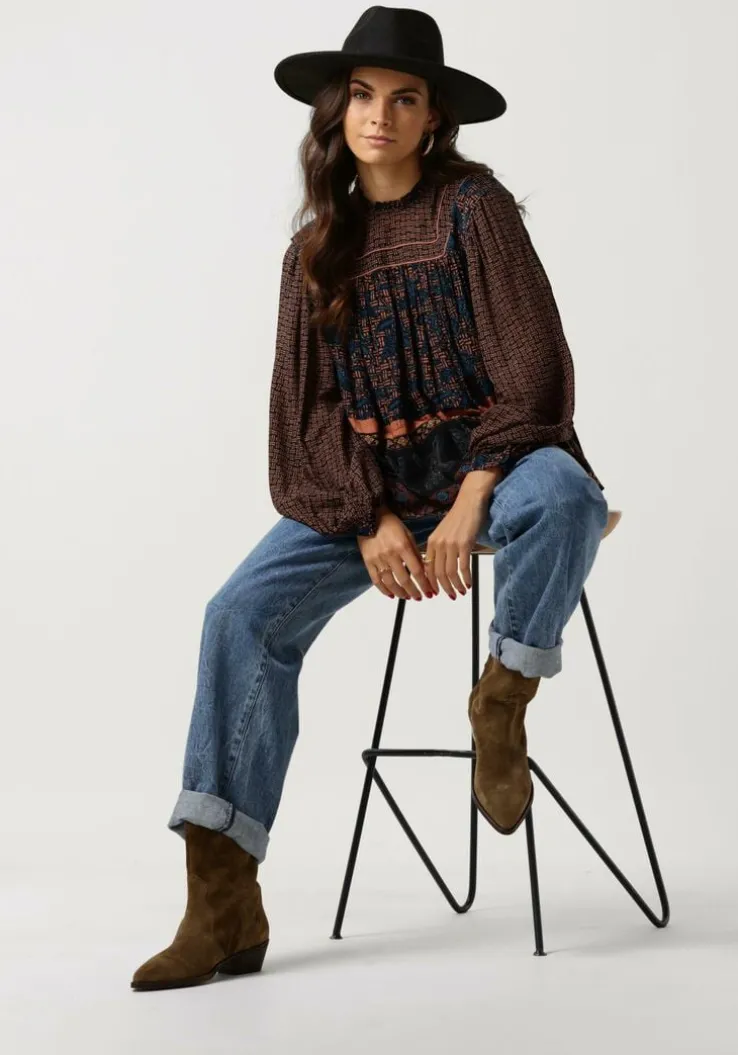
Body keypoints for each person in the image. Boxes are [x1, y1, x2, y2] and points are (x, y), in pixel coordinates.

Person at [130, 6, 609, 992]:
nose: (379, 116)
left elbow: (535, 372)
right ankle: (223, 902)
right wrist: (373, 520)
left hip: (496, 471)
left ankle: (500, 701)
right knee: (238, 613)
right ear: (337, 110)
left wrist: (473, 493)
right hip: (372, 495)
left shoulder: (475, 210)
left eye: (404, 98)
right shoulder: (314, 252)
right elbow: (303, 423)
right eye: (361, 95)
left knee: (566, 495)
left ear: (434, 119)